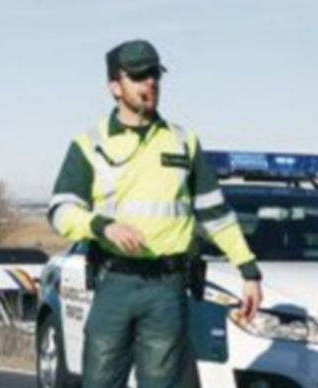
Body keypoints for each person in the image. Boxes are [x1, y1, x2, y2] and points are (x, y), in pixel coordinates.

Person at [47, 39, 263, 388]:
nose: (150, 82)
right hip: (113, 283)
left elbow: (216, 214)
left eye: (155, 74)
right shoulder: (90, 144)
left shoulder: (183, 142)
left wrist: (249, 271)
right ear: (115, 87)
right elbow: (60, 211)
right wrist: (102, 226)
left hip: (167, 287)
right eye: (139, 76)